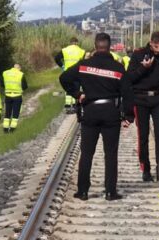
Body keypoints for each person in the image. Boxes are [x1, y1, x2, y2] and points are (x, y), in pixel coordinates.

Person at [59, 32, 134, 201]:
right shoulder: (118, 68)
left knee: (86, 153)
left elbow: (64, 78)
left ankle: (83, 191)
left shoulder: (84, 65)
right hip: (111, 113)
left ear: (95, 46)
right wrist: (129, 116)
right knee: (111, 154)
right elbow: (128, 92)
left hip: (90, 112)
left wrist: (77, 94)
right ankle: (110, 192)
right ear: (109, 47)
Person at [127, 31, 159, 182]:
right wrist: (143, 68)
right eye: (155, 46)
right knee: (143, 135)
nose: (158, 49)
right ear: (150, 43)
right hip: (141, 98)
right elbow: (129, 78)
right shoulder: (138, 54)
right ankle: (145, 168)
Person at [55, 37, 85, 113]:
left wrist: (62, 66)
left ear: (70, 42)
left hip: (67, 73)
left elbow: (57, 58)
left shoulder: (65, 50)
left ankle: (68, 106)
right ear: (77, 43)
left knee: (68, 89)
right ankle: (75, 106)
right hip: (77, 73)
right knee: (76, 89)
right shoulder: (81, 51)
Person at [2, 64, 28, 133]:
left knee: (7, 112)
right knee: (15, 113)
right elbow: (25, 86)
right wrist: (20, 89)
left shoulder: (5, 73)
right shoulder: (21, 74)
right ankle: (12, 129)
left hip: (8, 95)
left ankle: (5, 129)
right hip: (17, 96)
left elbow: (2, 84)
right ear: (19, 68)